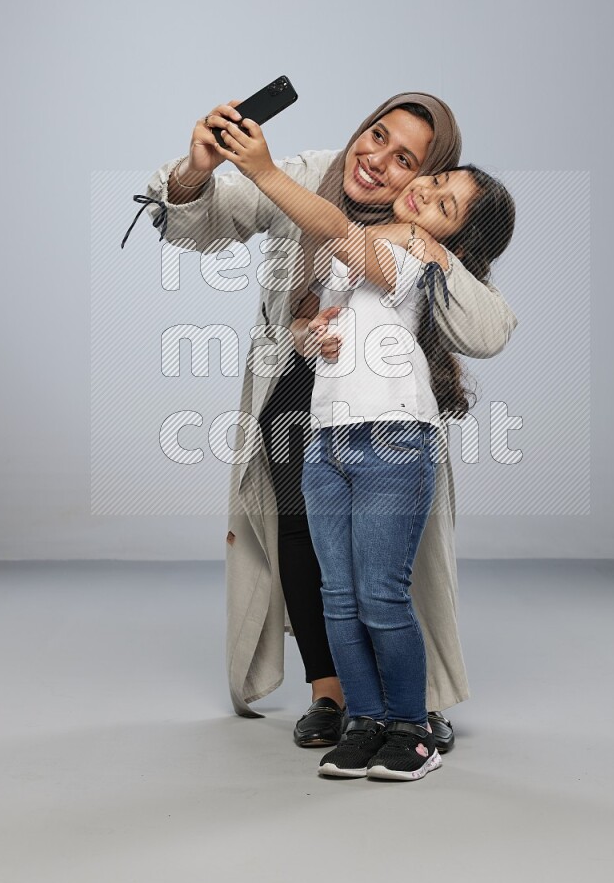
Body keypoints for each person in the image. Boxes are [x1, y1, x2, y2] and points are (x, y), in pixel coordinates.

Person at [133, 92, 517, 739]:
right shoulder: (316, 173)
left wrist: (433, 254)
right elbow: (207, 219)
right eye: (375, 135)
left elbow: (488, 326)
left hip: (387, 418)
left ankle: (412, 703)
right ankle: (332, 694)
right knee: (297, 536)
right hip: (297, 393)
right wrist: (197, 170)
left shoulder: (423, 235)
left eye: (406, 160)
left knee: (388, 558)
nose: (376, 160)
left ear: (428, 177)